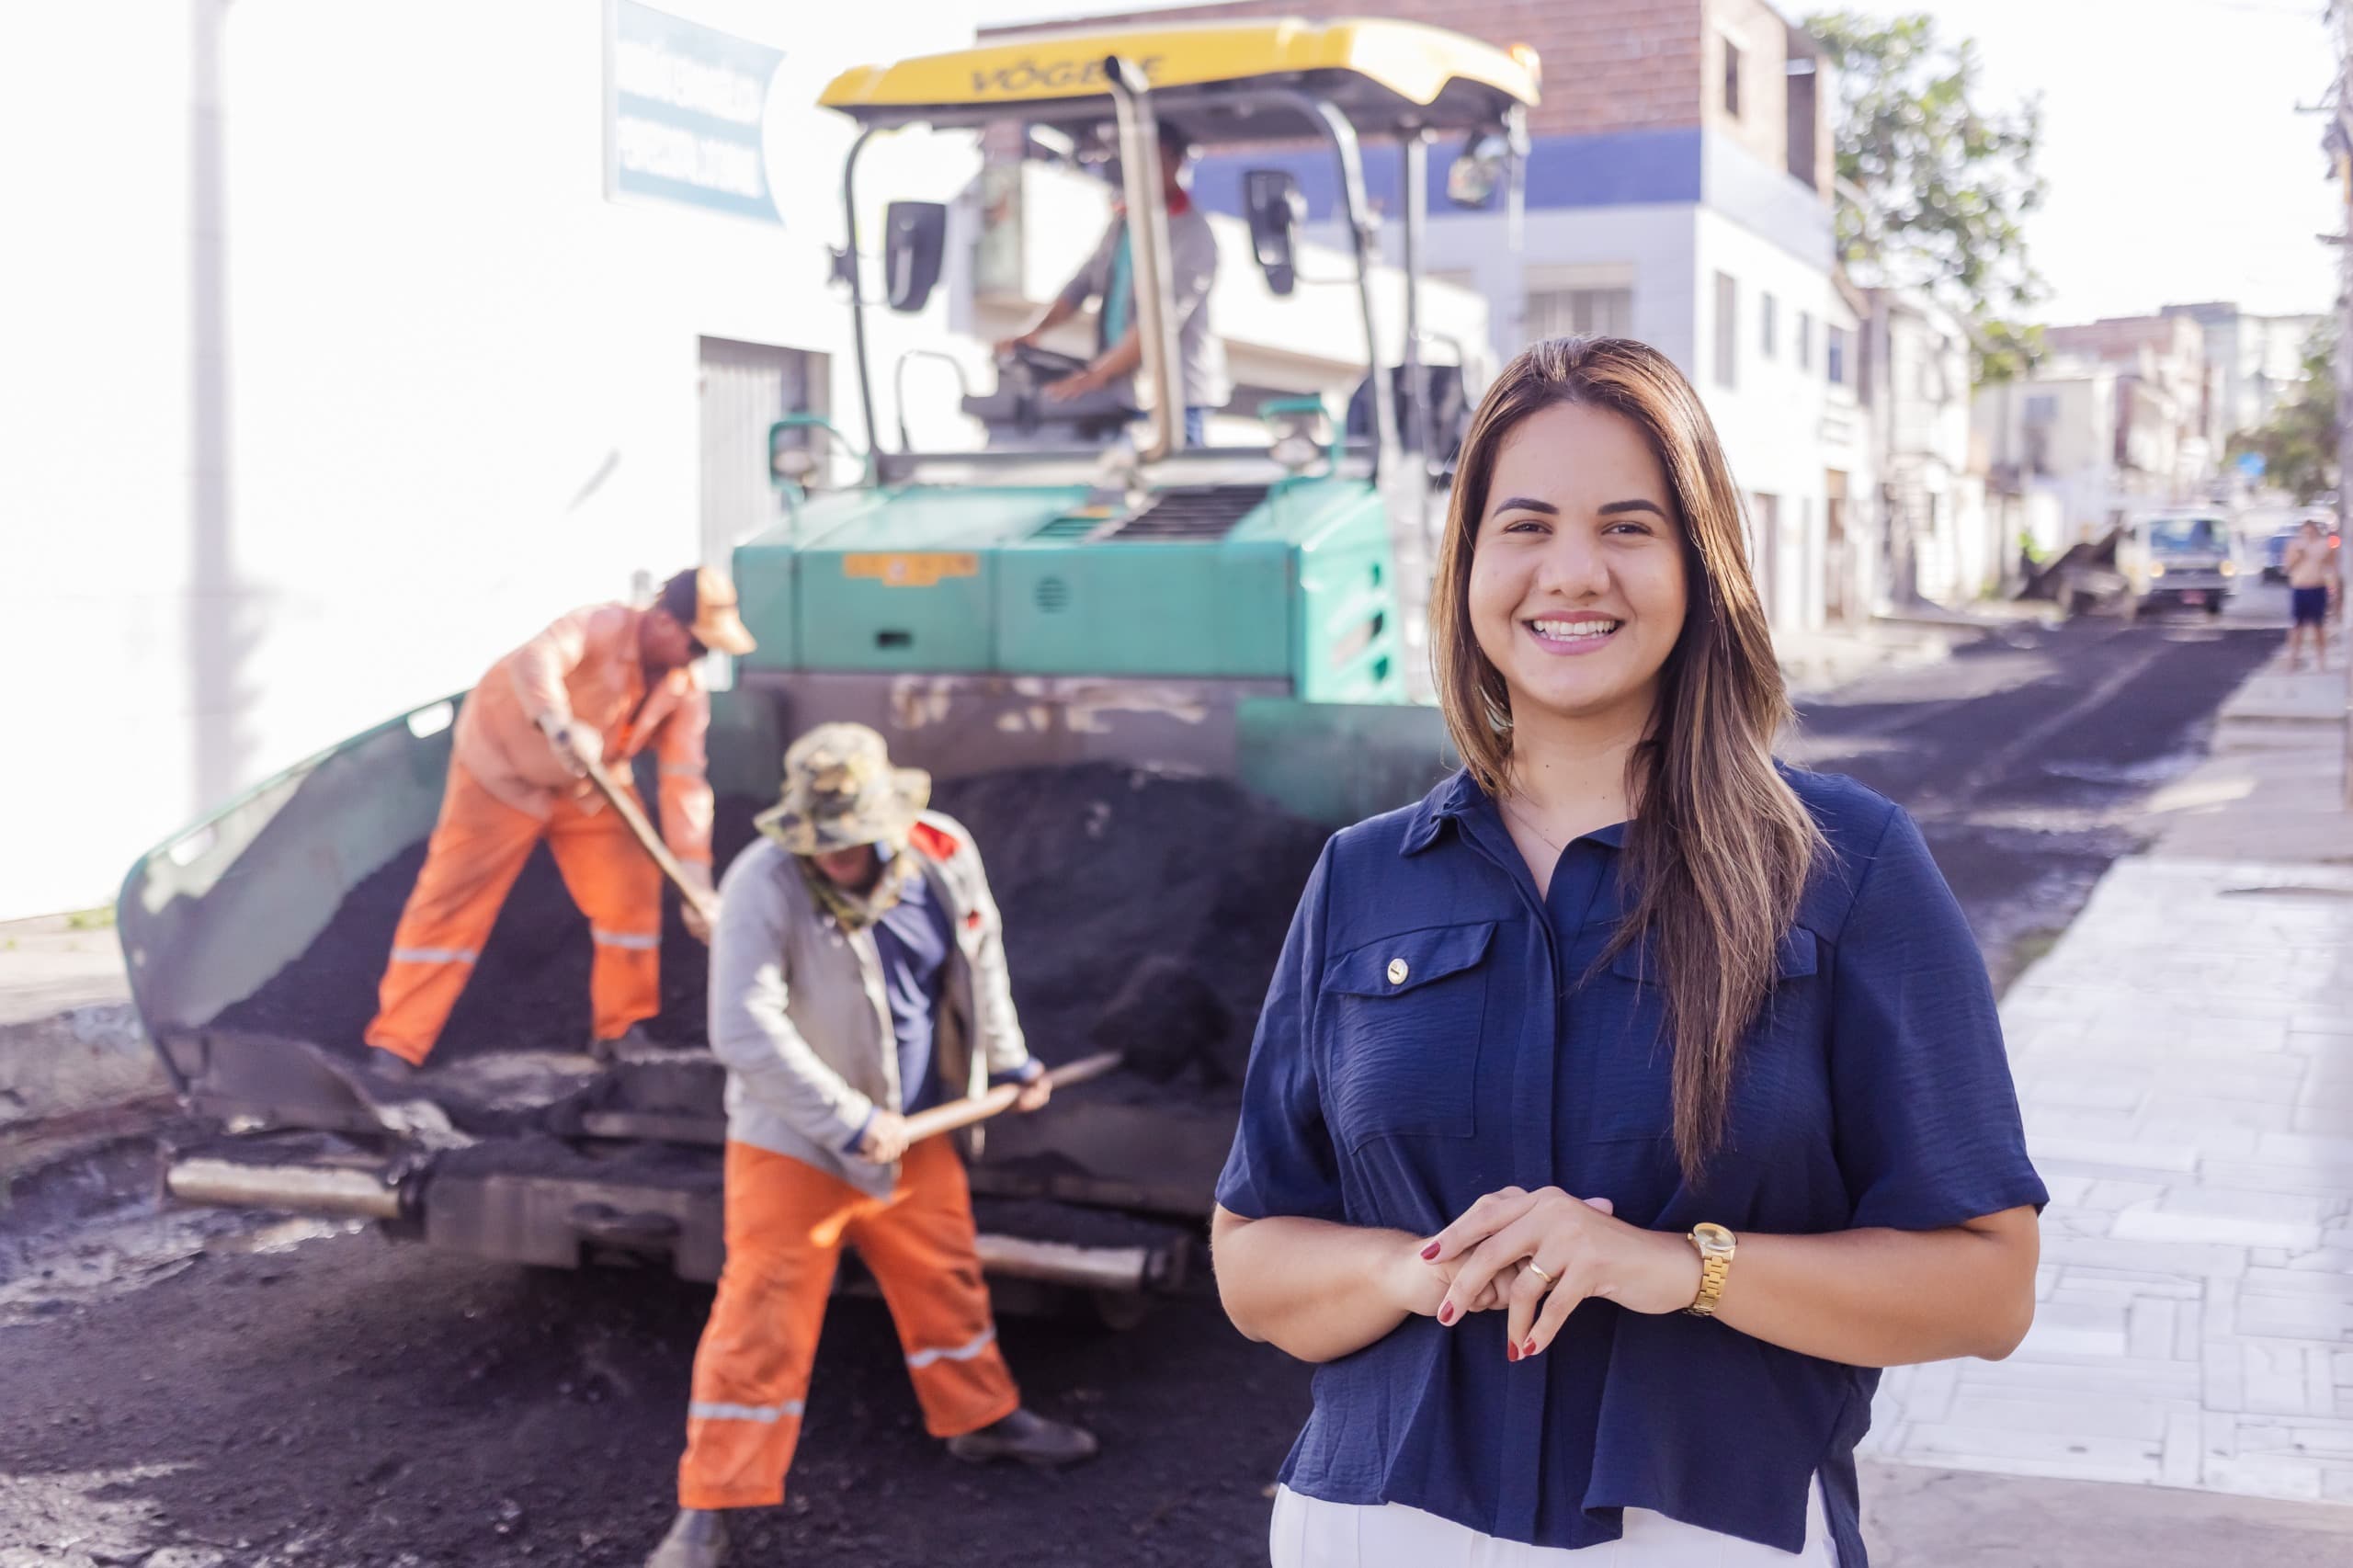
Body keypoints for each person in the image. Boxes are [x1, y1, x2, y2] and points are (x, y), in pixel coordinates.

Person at [1211, 337, 2047, 1567]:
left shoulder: (1847, 867)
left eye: (1628, 527)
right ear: (1469, 566)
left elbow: (1988, 1287)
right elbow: (1253, 1258)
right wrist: (1417, 1266)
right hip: (1374, 1526)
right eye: (1527, 525)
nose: (1571, 572)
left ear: (1700, 565)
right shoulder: (1363, 875)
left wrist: (1672, 1267)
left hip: (1700, 1534)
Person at [645, 722, 1097, 1568]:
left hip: (917, 1131)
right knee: (759, 1320)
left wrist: (1010, 1059)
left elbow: (980, 960)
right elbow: (742, 1029)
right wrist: (849, 1120)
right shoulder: (763, 884)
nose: (836, 858)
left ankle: (980, 1421)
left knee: (945, 1280)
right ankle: (710, 1506)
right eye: (821, 844)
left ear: (889, 822)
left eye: (851, 842)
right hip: (796, 1143)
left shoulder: (944, 853)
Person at [364, 568, 754, 1076]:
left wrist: (698, 884)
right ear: (662, 621)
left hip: (589, 788)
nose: (701, 658)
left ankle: (620, 1031)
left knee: (631, 892)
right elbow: (537, 660)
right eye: (697, 645)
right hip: (499, 779)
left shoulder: (683, 689)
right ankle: (397, 1045)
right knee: (449, 904)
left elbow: (684, 783)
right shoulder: (599, 626)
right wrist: (559, 722)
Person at [995, 119, 1228, 448]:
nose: (1143, 171)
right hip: (1122, 394)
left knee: (1176, 487)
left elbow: (1159, 323)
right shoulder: (1126, 221)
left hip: (1174, 398)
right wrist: (1035, 330)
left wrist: (1095, 375)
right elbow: (1084, 282)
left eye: (1154, 160)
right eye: (1136, 161)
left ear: (1176, 162)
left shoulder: (1193, 235)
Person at [2283, 518, 2338, 670]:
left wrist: (2333, 588)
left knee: (2318, 626)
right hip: (2300, 588)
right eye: (2306, 531)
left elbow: (2331, 566)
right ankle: (2293, 658)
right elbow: (2287, 567)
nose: (2309, 533)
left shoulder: (2325, 545)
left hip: (2317, 588)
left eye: (2311, 530)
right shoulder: (2294, 545)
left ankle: (2322, 659)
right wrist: (2299, 556)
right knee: (2297, 626)